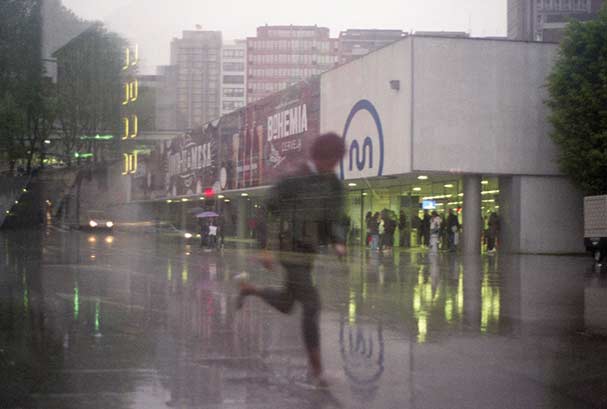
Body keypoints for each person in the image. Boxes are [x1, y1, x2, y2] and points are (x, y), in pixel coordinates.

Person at [235, 132, 347, 387]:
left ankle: (248, 289)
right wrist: (264, 246)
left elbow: (335, 217)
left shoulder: (333, 184)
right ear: (318, 157)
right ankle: (318, 371)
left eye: (336, 162)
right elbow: (266, 209)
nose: (332, 167)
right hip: (288, 250)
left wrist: (339, 240)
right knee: (311, 304)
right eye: (329, 161)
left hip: (307, 253)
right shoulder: (294, 179)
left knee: (287, 303)